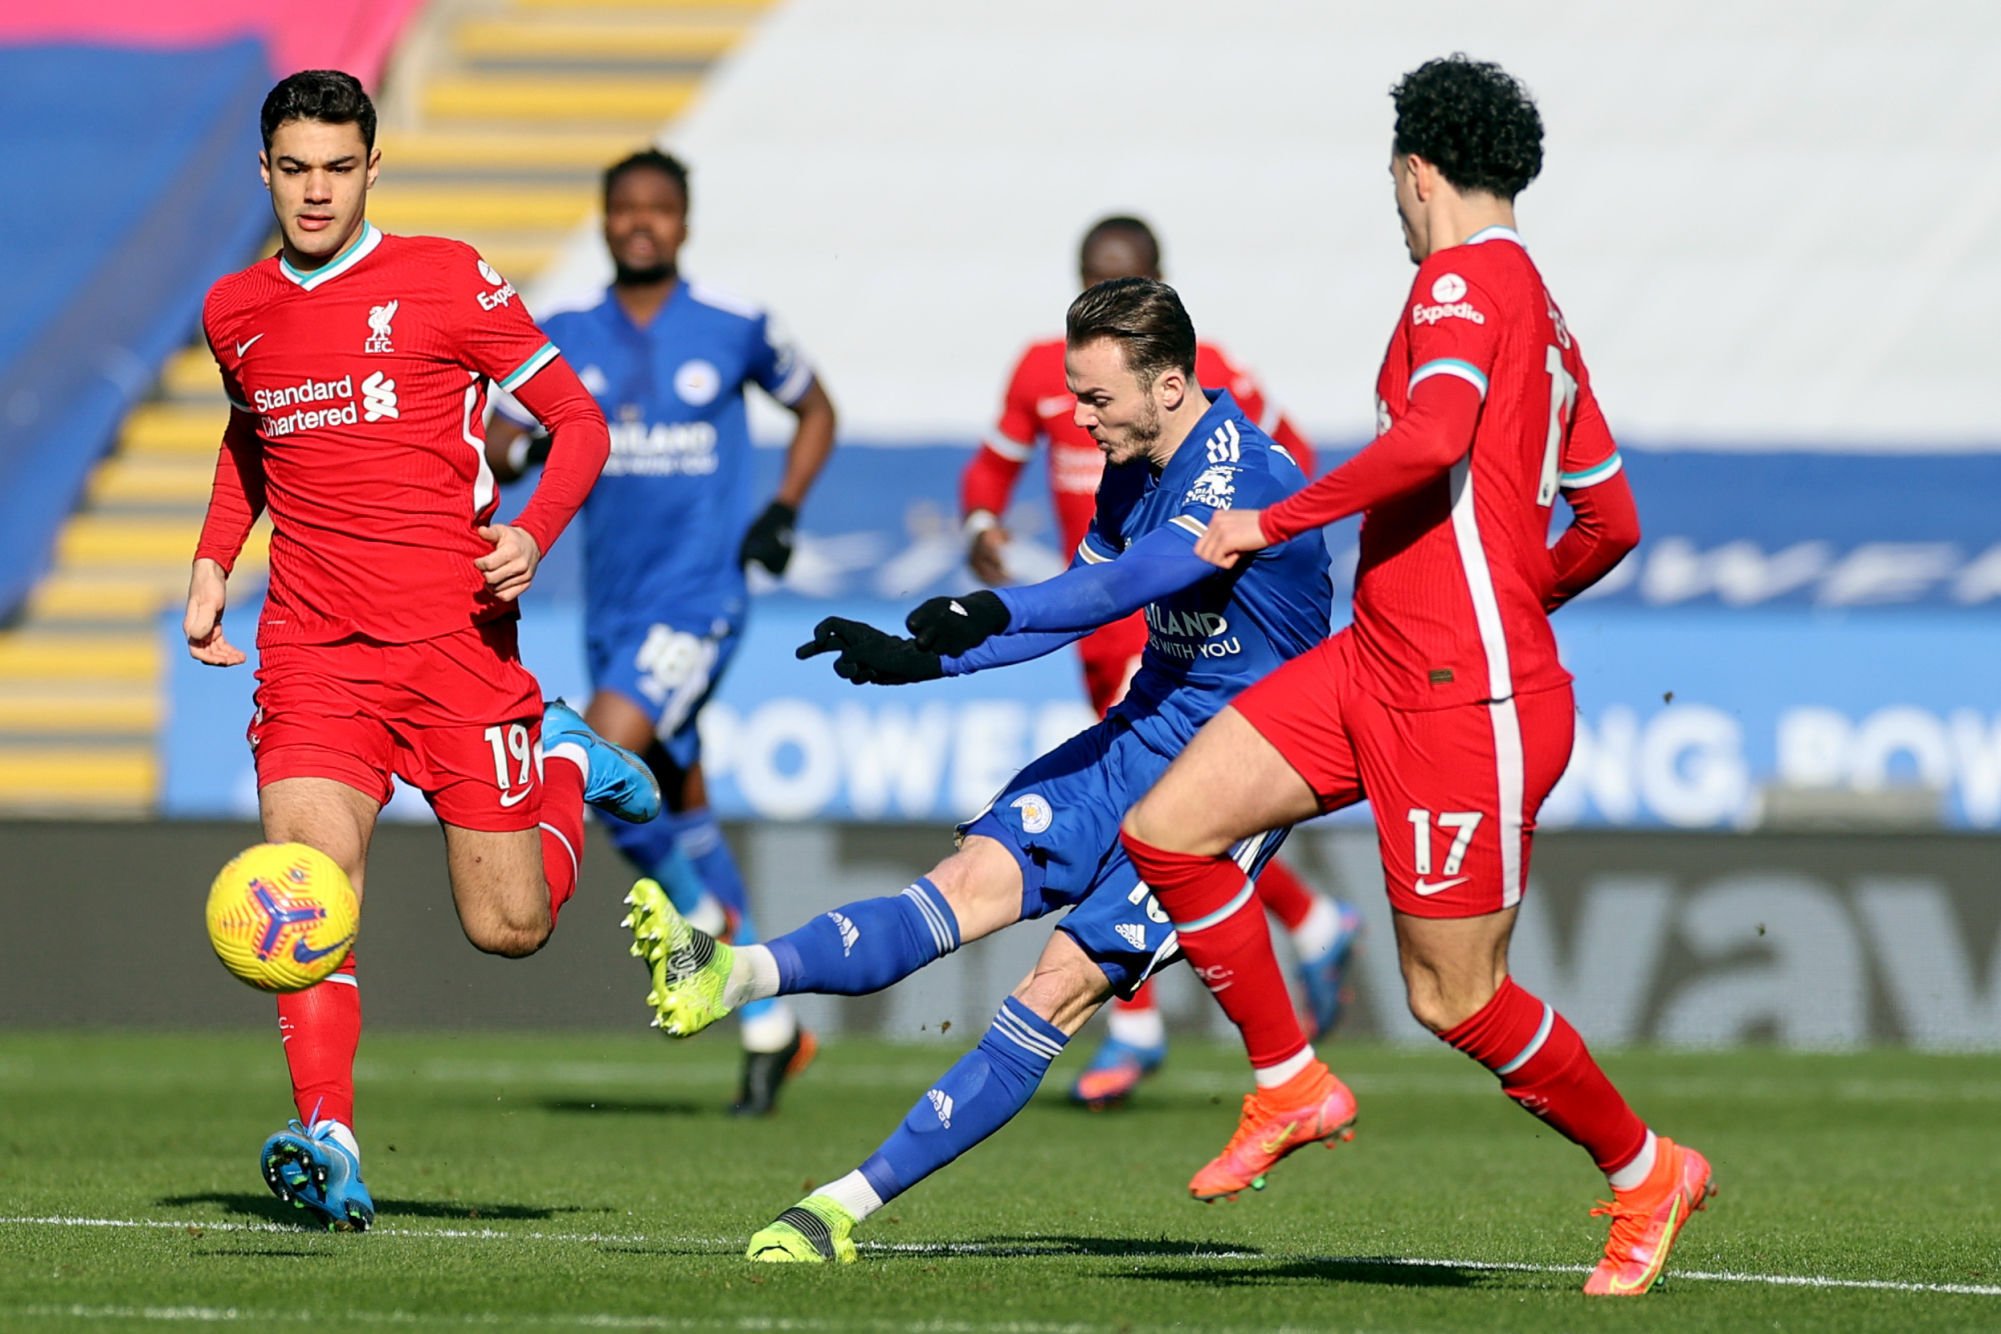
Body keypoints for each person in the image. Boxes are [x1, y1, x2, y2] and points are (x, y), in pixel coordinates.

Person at [1116, 56, 1707, 1295]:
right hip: (1377, 661)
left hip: (1462, 699)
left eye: (1395, 179)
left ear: (1417, 170)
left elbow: (1433, 436)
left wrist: (1269, 522)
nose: (1395, 200)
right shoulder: (1541, 307)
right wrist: (1514, 592)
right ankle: (1291, 1080)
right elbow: (1610, 518)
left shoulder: (1457, 281)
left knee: (1454, 998)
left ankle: (1647, 1167)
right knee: (1169, 827)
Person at [625, 277, 1346, 1262]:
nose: (1079, 419)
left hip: (1233, 776)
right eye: (1075, 395)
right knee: (959, 886)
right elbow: (1077, 597)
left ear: (1170, 385)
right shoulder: (1132, 463)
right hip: (1136, 736)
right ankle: (733, 973)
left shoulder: (1243, 472)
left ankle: (837, 1208)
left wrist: (992, 609)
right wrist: (922, 658)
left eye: (1096, 398)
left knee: (1052, 989)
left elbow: (1134, 583)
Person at [185, 70, 661, 1232]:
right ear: (265, 171)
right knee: (308, 888)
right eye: (294, 168)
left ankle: (564, 760)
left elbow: (580, 422)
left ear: (372, 167)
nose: (316, 191)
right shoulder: (234, 308)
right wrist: (211, 563)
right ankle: (331, 1139)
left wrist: (533, 533)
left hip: (456, 646)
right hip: (313, 650)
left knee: (509, 927)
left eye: (338, 168)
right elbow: (251, 441)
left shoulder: (446, 278)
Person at [959, 215, 1362, 1108]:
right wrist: (981, 523)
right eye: (1090, 277)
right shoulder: (1046, 374)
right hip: (1089, 614)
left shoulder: (1212, 382)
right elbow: (989, 469)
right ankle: (1309, 922)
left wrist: (1239, 540)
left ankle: (1139, 1026)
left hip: (1171, 620)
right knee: (1159, 814)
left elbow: (1293, 471)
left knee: (1159, 817)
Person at [485, 149, 838, 1114]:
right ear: (604, 220)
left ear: (684, 221)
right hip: (611, 609)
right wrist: (525, 447)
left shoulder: (735, 324)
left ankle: (707, 916)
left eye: (659, 208)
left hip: (698, 598)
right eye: (625, 208)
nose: (641, 222)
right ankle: (772, 1027)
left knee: (598, 756)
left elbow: (816, 409)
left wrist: (784, 509)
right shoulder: (562, 334)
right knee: (672, 796)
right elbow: (499, 434)